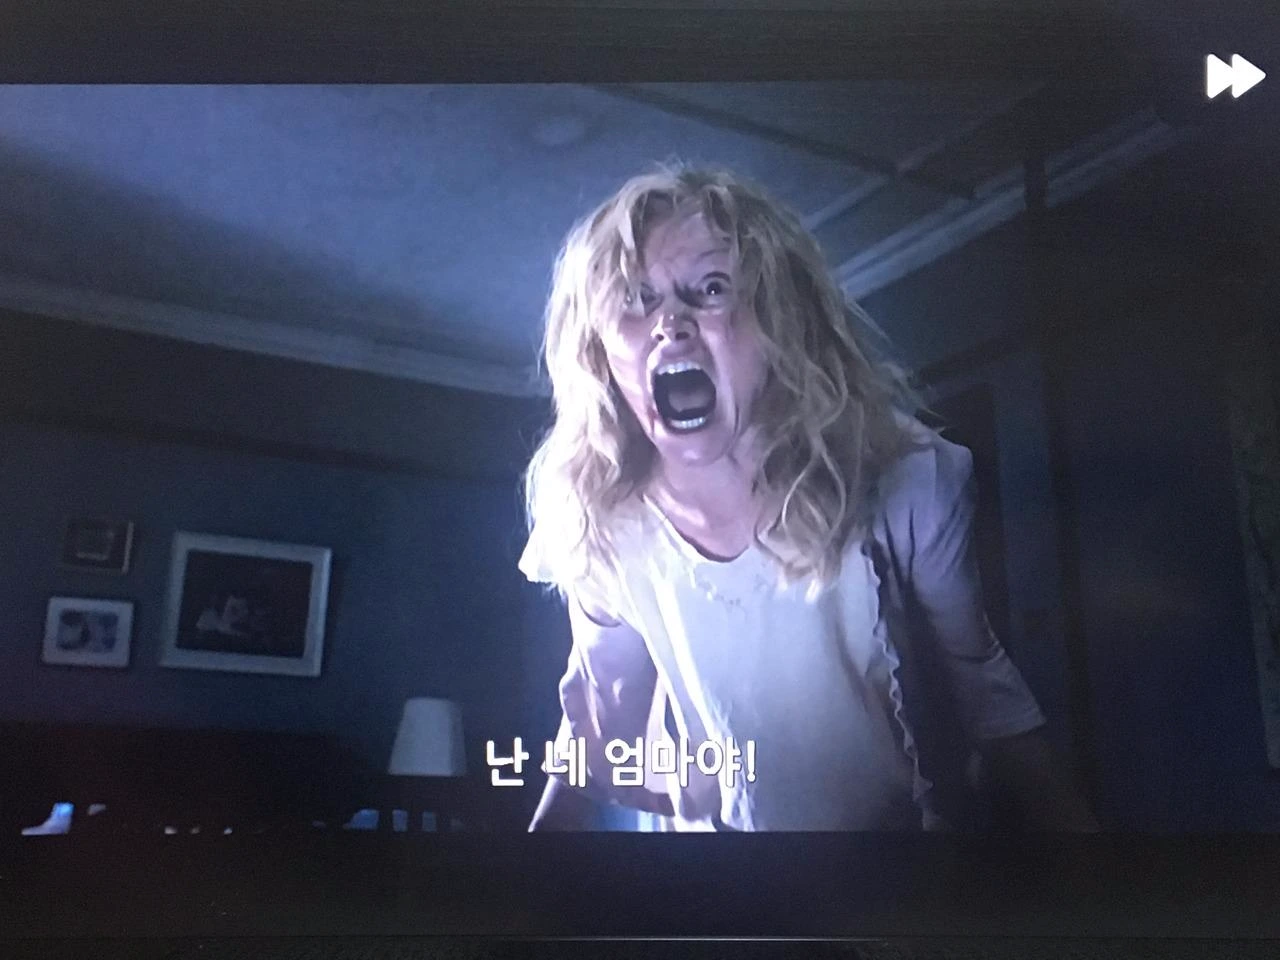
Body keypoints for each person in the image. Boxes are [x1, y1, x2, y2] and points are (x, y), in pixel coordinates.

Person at [519, 164, 1097, 832]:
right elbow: (599, 718)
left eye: (711, 289)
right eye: (636, 299)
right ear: (599, 350)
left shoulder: (905, 479)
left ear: (778, 323)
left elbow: (980, 681)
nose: (670, 324)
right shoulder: (600, 523)